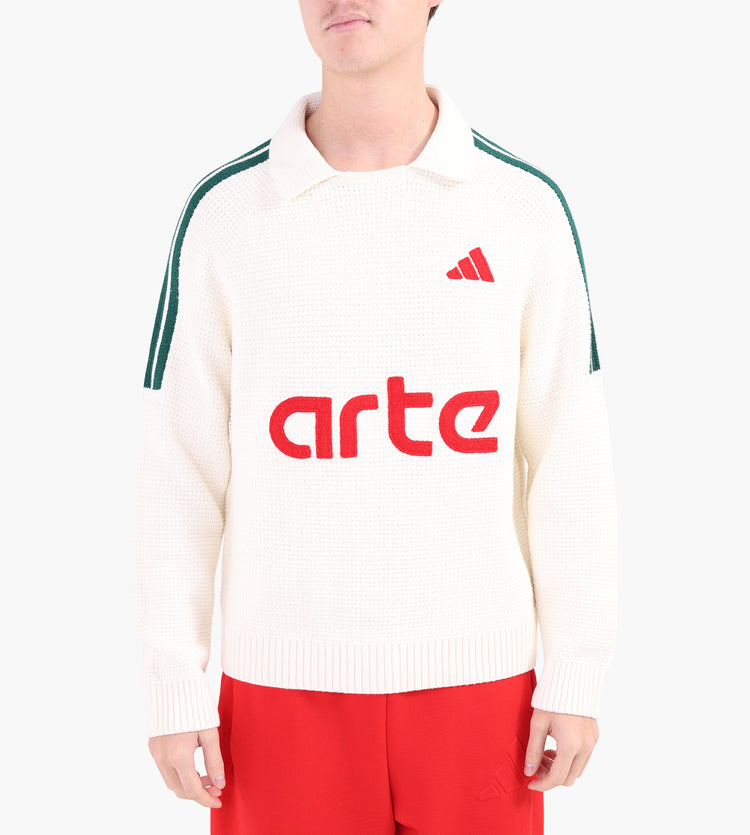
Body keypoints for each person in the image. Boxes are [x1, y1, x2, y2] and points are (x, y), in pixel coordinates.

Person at [134, 1, 618, 832]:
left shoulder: (522, 209)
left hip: (483, 692)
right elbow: (179, 466)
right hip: (278, 697)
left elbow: (569, 457)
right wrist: (175, 685)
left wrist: (575, 672)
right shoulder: (227, 215)